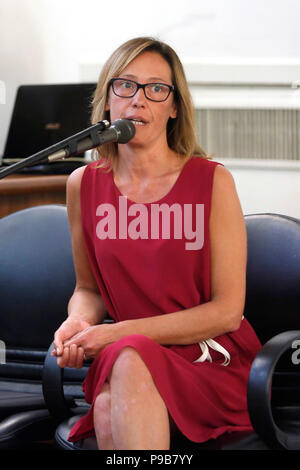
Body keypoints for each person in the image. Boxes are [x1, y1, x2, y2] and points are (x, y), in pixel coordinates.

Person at [52, 36, 261, 450]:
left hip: (208, 359)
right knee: (124, 369)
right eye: (126, 85)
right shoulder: (83, 185)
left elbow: (227, 312)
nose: (139, 100)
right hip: (129, 353)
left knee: (118, 382)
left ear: (174, 107)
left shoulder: (212, 182)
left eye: (156, 89)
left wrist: (116, 335)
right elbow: (88, 289)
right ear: (108, 99)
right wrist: (79, 321)